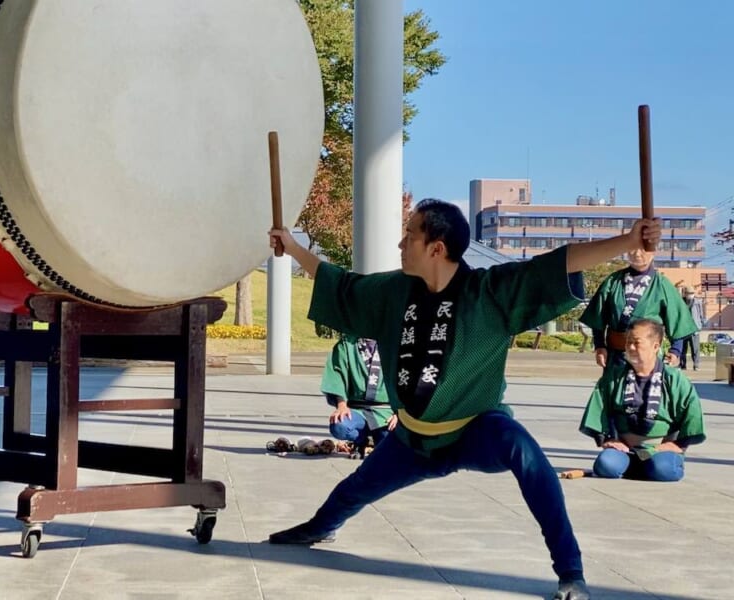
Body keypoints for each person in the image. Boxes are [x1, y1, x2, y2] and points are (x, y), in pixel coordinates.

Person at [267, 198, 663, 600]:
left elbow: (560, 263)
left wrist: (628, 241)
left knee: (525, 452)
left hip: (475, 430)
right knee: (354, 489)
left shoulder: (489, 291)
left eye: (410, 236)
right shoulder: (393, 291)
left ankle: (571, 572)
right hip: (413, 438)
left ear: (436, 248)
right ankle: (319, 528)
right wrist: (293, 247)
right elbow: (342, 285)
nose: (401, 244)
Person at [579, 317, 706, 481]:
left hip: (660, 448)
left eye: (636, 343)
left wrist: (678, 444)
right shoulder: (614, 376)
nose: (630, 347)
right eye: (628, 342)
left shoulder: (675, 379)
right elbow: (599, 408)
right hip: (624, 447)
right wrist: (608, 439)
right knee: (606, 465)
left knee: (663, 470)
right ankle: (630, 465)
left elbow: (692, 416)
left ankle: (656, 464)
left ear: (655, 346)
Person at [579, 246, 696, 370]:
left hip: (649, 357)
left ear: (653, 252)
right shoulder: (613, 281)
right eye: (633, 248)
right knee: (614, 382)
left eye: (643, 249)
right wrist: (599, 346)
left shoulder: (662, 284)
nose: (637, 254)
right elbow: (598, 316)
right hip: (615, 355)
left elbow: (676, 319)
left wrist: (675, 350)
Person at [321, 335, 397, 457]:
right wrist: (341, 404)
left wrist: (400, 413)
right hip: (357, 409)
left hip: (387, 411)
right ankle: (360, 440)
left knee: (389, 446)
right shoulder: (347, 344)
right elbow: (337, 374)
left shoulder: (395, 342)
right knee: (339, 426)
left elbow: (409, 381)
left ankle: (376, 440)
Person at [678, 287, 706, 371]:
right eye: (688, 293)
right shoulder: (681, 302)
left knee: (695, 348)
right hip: (683, 328)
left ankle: (696, 365)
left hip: (694, 328)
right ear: (685, 294)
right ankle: (683, 365)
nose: (690, 295)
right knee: (683, 348)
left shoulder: (698, 302)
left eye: (692, 293)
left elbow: (701, 314)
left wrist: (701, 324)